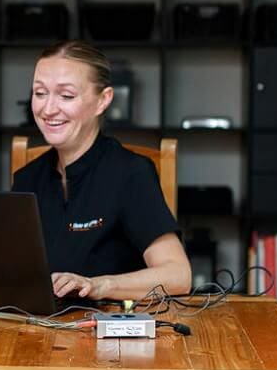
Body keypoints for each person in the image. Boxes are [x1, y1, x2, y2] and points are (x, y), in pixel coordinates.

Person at [11, 40, 191, 301]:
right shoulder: (27, 178)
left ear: (102, 101)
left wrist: (99, 286)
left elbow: (178, 276)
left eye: (66, 95)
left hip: (109, 335)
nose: (48, 109)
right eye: (39, 93)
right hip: (36, 333)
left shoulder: (130, 173)